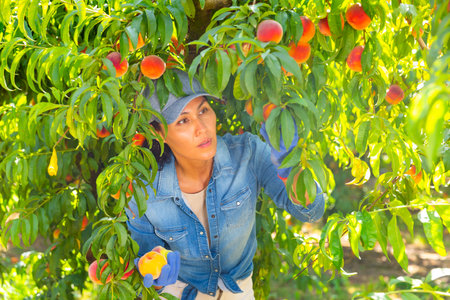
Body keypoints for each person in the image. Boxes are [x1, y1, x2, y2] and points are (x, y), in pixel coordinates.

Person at [125, 69, 325, 300]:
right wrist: (157, 274)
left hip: (237, 292)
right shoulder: (143, 189)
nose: (202, 128)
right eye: (183, 120)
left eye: (203, 110)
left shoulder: (247, 154)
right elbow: (147, 255)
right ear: (158, 133)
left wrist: (291, 167)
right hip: (178, 293)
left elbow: (312, 213)